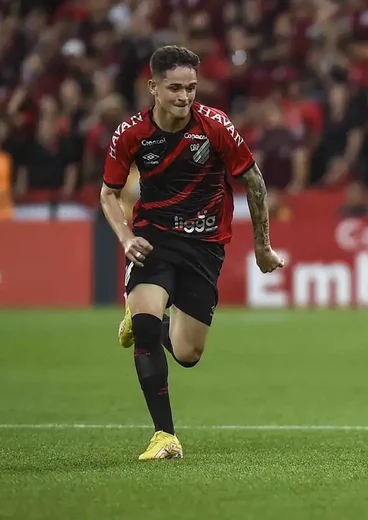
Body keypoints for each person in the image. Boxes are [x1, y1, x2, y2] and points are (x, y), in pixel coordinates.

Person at [100, 45, 284, 460]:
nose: (184, 97)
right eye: (175, 88)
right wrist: (126, 237)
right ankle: (164, 435)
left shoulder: (215, 126)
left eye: (191, 88)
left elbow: (254, 182)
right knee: (148, 328)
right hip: (153, 241)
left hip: (204, 247)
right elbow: (108, 194)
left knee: (187, 354)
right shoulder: (131, 133)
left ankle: (145, 316)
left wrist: (263, 247)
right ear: (153, 87)